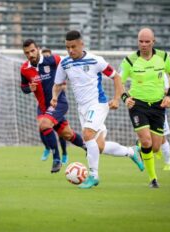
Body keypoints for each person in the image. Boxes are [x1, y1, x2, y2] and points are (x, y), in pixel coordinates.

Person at [51, 30, 144, 189]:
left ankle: (93, 176)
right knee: (97, 147)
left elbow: (116, 76)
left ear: (82, 44)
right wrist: (54, 97)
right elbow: (58, 84)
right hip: (83, 109)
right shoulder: (64, 63)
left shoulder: (95, 60)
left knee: (87, 135)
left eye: (73, 46)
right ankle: (131, 151)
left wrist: (116, 99)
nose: (70, 50)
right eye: (67, 47)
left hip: (98, 104)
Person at [120, 28, 170, 188]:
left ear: (153, 41)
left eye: (147, 41)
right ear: (137, 42)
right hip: (138, 105)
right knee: (146, 141)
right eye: (141, 41)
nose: (144, 44)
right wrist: (125, 98)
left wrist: (169, 96)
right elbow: (119, 81)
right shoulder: (129, 61)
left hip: (158, 106)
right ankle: (153, 179)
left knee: (156, 146)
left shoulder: (163, 57)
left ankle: (136, 148)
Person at [20, 39, 86, 173]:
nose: (30, 54)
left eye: (32, 51)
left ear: (38, 49)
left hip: (58, 103)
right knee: (67, 134)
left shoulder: (52, 60)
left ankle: (56, 158)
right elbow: (23, 88)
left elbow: (69, 61)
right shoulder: (24, 69)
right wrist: (29, 88)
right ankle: (87, 147)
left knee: (44, 125)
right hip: (44, 107)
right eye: (27, 53)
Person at [40, 47, 68, 163]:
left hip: (57, 105)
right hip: (45, 105)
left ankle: (64, 153)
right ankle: (48, 148)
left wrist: (55, 91)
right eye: (44, 56)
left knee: (62, 132)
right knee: (42, 126)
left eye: (48, 56)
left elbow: (64, 87)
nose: (46, 58)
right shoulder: (39, 71)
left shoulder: (57, 71)